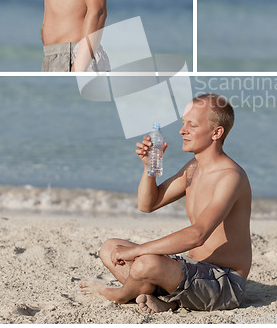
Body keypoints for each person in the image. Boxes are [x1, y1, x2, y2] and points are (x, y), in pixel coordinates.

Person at [80, 93, 252, 313]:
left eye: (192, 124)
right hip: (191, 273)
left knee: (145, 262)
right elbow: (148, 204)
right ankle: (166, 300)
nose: (182, 130)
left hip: (224, 284)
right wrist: (149, 169)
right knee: (110, 248)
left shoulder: (230, 176)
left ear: (216, 132)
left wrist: (137, 252)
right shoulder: (193, 168)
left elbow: (197, 235)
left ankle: (120, 295)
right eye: (183, 123)